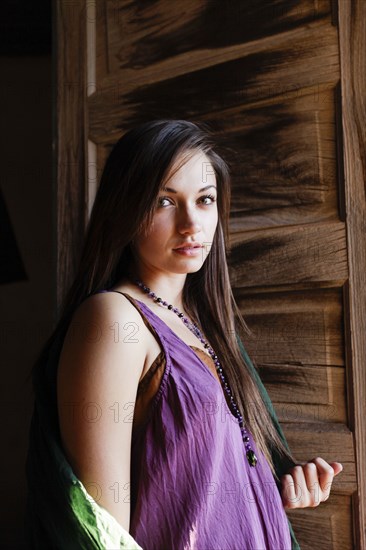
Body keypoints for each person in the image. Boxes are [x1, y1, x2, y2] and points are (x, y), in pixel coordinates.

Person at [25, 119, 343, 549]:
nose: (192, 223)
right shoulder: (116, 320)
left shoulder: (206, 325)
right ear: (126, 208)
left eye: (205, 199)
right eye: (164, 201)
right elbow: (101, 530)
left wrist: (281, 479)